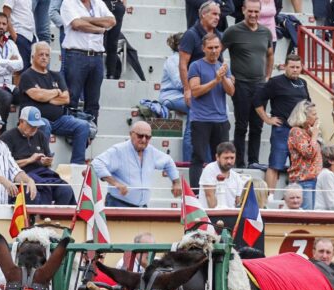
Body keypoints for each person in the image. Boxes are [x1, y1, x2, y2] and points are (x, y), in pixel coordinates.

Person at [18, 42, 92, 166]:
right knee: (44, 124)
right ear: (33, 57)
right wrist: (56, 92)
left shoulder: (56, 75)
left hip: (59, 120)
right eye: (41, 54)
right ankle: (43, 163)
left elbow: (66, 98)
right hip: (36, 120)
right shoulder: (27, 76)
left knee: (83, 125)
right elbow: (38, 96)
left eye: (47, 55)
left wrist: (46, 97)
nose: (44, 57)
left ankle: (77, 164)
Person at [223, 0, 272, 170]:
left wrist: (267, 76)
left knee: (257, 126)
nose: (253, 15)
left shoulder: (266, 32)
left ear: (260, 12)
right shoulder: (233, 31)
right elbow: (217, 52)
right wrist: (227, 75)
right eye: (249, 11)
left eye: (256, 11)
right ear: (243, 10)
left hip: (260, 86)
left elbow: (270, 54)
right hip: (241, 85)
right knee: (241, 125)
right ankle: (239, 163)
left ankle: (253, 161)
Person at [254, 51, 310, 192]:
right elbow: (257, 100)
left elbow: (308, 105)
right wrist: (267, 119)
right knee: (275, 165)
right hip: (282, 129)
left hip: (300, 131)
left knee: (298, 165)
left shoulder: (303, 83)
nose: (295, 70)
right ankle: (269, 198)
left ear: (301, 67)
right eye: (292, 67)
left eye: (298, 67)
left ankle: (295, 198)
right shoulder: (275, 82)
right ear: (285, 67)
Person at [92, 120, 181, 207]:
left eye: (148, 137)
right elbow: (96, 163)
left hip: (142, 206)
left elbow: (168, 161)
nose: (144, 139)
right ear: (131, 134)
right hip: (119, 204)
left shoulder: (151, 151)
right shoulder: (119, 150)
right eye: (140, 136)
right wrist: (116, 183)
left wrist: (176, 182)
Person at [0, 106, 76, 205]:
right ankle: (38, 219)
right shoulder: (7, 137)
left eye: (37, 126)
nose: (34, 129)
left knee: (65, 190)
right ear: (21, 121)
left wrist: (46, 162)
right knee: (34, 192)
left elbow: (47, 163)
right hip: (22, 176)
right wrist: (29, 160)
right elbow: (5, 166)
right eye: (31, 125)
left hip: (42, 175)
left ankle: (57, 219)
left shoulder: (40, 135)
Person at [188, 33, 234, 188]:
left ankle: (222, 189)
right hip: (201, 119)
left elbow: (231, 91)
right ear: (203, 48)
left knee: (223, 158)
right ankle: (195, 192)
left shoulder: (223, 67)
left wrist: (223, 77)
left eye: (216, 47)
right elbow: (195, 91)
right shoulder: (196, 65)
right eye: (210, 48)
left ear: (221, 48)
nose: (214, 51)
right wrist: (215, 81)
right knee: (198, 157)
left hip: (221, 119)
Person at [60, 0, 114, 122]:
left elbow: (111, 21)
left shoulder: (98, 3)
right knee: (72, 98)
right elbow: (77, 24)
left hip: (97, 56)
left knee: (93, 101)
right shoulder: (68, 3)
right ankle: (71, 130)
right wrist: (100, 29)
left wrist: (88, 19)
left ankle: (91, 133)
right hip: (76, 55)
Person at [161, 33, 194, 164]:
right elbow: (180, 83)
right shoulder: (173, 60)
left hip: (186, 95)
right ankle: (188, 160)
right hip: (171, 96)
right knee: (196, 109)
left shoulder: (189, 59)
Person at [286, 99, 322, 210]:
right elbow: (309, 153)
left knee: (311, 215)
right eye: (314, 114)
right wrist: (315, 135)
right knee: (305, 217)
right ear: (304, 116)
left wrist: (313, 134)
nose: (317, 117)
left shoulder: (307, 132)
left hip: (312, 179)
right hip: (303, 180)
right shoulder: (296, 131)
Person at [200, 141, 248, 209]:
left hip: (231, 216)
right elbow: (210, 197)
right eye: (226, 158)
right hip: (212, 216)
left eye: (232, 158)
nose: (229, 161)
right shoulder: (209, 169)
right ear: (217, 157)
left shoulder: (236, 177)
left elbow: (238, 202)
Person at [2, 0, 36, 68]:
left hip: (31, 36)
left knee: (30, 70)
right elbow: (5, 16)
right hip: (19, 34)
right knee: (19, 71)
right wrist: (15, 37)